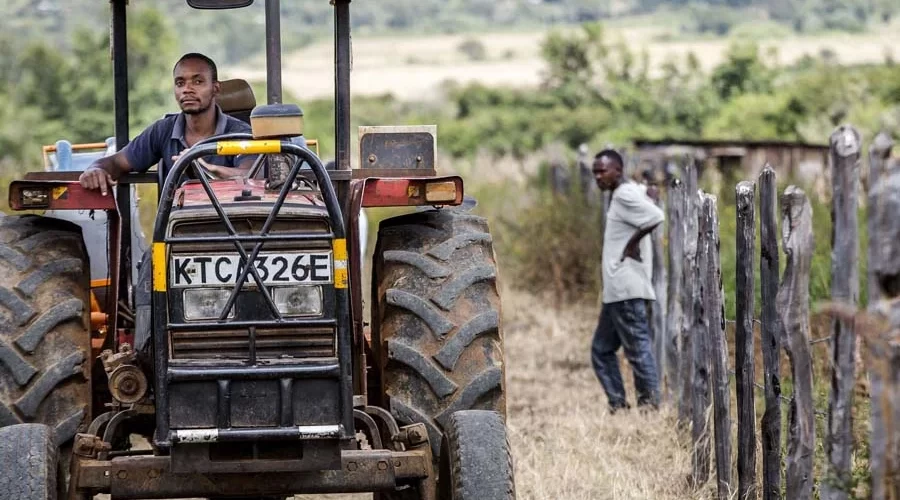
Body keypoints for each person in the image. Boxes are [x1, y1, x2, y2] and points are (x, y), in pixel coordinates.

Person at [79, 53, 254, 194]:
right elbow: (118, 161)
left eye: (198, 81)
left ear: (215, 88)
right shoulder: (163, 130)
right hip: (177, 230)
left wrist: (209, 170)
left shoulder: (240, 133)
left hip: (230, 229)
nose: (187, 89)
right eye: (180, 83)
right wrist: (96, 169)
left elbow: (252, 175)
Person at [590, 149, 665, 413]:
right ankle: (619, 406)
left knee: (637, 350)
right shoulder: (626, 192)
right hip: (617, 289)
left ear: (618, 171)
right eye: (595, 172)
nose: (598, 176)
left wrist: (631, 244)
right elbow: (650, 203)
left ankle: (650, 408)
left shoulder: (623, 195)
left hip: (626, 287)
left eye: (603, 171)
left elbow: (657, 216)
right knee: (601, 350)